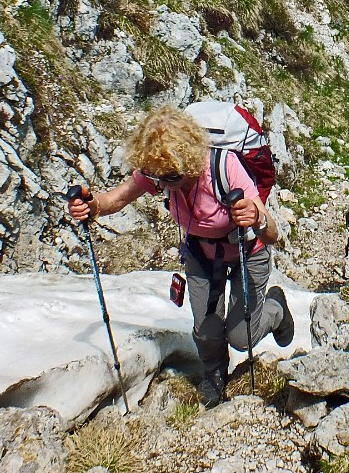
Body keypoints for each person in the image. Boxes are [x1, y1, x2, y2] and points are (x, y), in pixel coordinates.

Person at [66, 105, 294, 407]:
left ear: (188, 160)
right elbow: (115, 199)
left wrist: (257, 218)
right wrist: (91, 205)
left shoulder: (224, 167)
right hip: (202, 255)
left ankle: (276, 308)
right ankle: (214, 376)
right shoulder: (160, 170)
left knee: (242, 338)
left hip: (246, 252)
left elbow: (272, 234)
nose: (161, 185)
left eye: (169, 178)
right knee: (206, 330)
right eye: (154, 177)